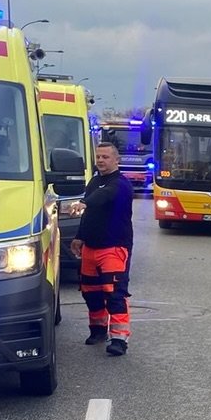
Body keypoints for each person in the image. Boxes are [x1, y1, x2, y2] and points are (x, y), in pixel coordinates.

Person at [72, 142, 135, 356]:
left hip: (114, 248)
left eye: (105, 157)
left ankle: (119, 339)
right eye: (98, 157)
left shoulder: (121, 184)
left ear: (116, 160)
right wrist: (79, 237)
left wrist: (85, 202)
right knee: (91, 293)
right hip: (91, 247)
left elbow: (105, 196)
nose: (100, 160)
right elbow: (89, 214)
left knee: (115, 293)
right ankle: (98, 330)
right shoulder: (94, 182)